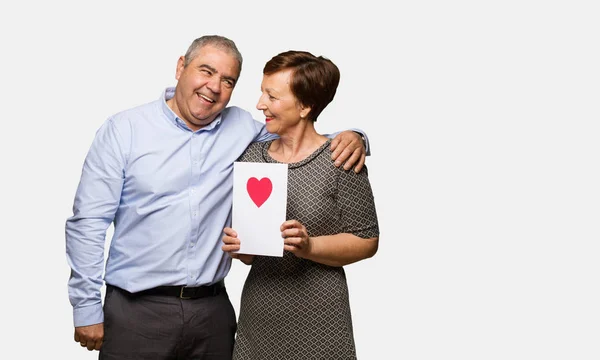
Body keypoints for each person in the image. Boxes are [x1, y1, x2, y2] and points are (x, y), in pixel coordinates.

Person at [65, 35, 369, 359]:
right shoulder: (123, 129)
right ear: (181, 66)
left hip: (212, 315)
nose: (214, 86)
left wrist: (355, 137)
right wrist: (86, 307)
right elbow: (88, 224)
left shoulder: (242, 129)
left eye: (228, 80)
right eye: (206, 71)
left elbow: (299, 132)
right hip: (137, 311)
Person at [221, 50, 379, 359]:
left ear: (305, 106)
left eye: (272, 96)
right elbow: (251, 255)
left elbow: (367, 240)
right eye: (262, 92)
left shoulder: (341, 158)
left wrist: (309, 247)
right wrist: (241, 247)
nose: (259, 104)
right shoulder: (252, 157)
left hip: (321, 321)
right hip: (260, 314)